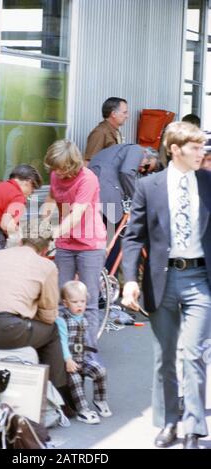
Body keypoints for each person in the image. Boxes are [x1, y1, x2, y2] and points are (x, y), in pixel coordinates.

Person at [121, 121, 211, 449]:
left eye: (204, 146)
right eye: (196, 147)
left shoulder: (208, 182)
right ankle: (169, 422)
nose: (203, 152)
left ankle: (193, 427)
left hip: (201, 279)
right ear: (174, 149)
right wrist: (130, 280)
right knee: (165, 356)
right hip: (163, 279)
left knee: (195, 353)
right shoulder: (149, 187)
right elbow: (134, 237)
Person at [0, 225, 67, 390]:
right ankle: (58, 392)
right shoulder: (46, 266)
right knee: (53, 331)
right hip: (8, 329)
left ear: (20, 241)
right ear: (46, 249)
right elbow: (49, 316)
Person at [43, 140, 107, 349]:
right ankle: (62, 347)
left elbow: (76, 213)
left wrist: (54, 233)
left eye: (61, 168)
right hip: (66, 242)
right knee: (61, 297)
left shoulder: (87, 179)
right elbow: (52, 196)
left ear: (72, 164)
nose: (57, 173)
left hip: (89, 242)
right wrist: (47, 212)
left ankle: (88, 350)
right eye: (54, 168)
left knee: (86, 300)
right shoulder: (55, 175)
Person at [88, 144, 159, 271]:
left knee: (96, 243)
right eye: (147, 167)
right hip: (107, 201)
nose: (142, 170)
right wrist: (139, 198)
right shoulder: (137, 149)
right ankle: (106, 280)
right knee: (113, 241)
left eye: (145, 172)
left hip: (91, 197)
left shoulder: (115, 151)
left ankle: (100, 277)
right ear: (147, 155)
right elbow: (126, 172)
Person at [55, 281, 112, 424]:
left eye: (82, 301)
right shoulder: (63, 320)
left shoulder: (84, 318)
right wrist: (67, 360)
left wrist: (89, 355)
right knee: (76, 380)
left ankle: (100, 400)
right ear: (65, 303)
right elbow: (62, 341)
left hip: (82, 358)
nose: (79, 305)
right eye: (74, 302)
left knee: (100, 370)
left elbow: (85, 340)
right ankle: (83, 410)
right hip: (69, 361)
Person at [4, 94, 57, 182]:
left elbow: (38, 160)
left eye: (22, 109)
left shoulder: (40, 130)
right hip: (22, 181)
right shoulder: (20, 133)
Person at [84, 97, 129, 163]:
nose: (127, 116)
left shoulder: (115, 131)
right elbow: (89, 162)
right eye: (124, 112)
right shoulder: (100, 132)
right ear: (113, 114)